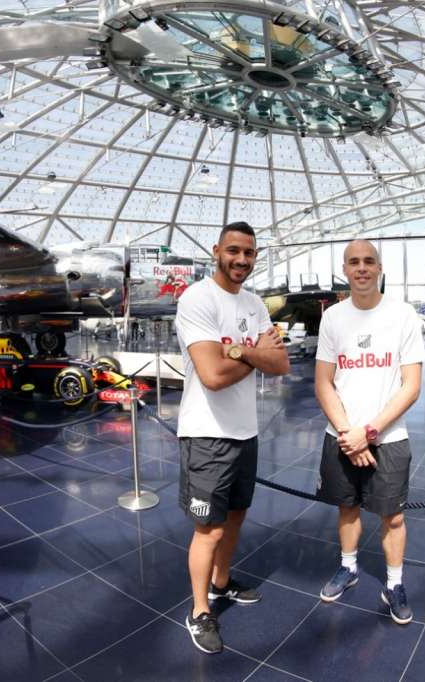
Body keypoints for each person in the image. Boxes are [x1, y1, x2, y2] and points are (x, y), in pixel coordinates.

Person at [175, 221, 290, 654]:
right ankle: (199, 611)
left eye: (249, 253)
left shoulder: (255, 303)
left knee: (237, 516)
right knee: (208, 528)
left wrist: (240, 351)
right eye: (234, 251)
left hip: (245, 431)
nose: (241, 260)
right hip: (207, 434)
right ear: (217, 250)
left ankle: (221, 584)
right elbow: (213, 375)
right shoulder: (197, 299)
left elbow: (280, 365)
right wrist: (254, 352)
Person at [313, 239, 424, 624]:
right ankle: (349, 567)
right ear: (345, 269)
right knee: (348, 506)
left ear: (379, 268)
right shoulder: (333, 318)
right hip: (341, 434)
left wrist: (370, 431)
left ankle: (394, 583)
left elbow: (411, 385)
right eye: (353, 262)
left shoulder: (403, 315)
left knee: (392, 516)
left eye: (368, 261)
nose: (361, 268)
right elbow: (324, 382)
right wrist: (349, 433)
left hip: (389, 438)